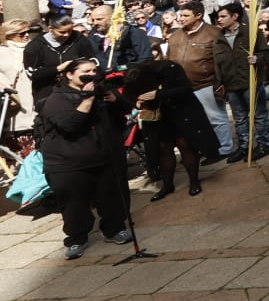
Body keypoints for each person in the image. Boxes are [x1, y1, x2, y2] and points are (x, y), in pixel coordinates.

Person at [35, 57, 132, 258]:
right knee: (74, 204)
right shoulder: (56, 99)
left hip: (104, 156)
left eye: (94, 70)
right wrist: (87, 99)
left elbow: (126, 109)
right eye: (85, 71)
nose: (91, 74)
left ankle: (114, 229)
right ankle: (76, 239)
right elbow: (70, 124)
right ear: (69, 75)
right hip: (68, 162)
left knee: (111, 197)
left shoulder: (101, 89)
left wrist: (115, 99)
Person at [125, 52, 219, 201]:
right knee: (163, 149)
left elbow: (185, 88)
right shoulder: (134, 76)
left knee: (185, 146)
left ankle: (194, 181)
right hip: (157, 117)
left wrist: (159, 94)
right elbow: (130, 95)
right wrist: (137, 103)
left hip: (181, 112)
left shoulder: (170, 68)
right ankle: (167, 185)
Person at [165, 0, 236, 157]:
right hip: (183, 87)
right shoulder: (175, 37)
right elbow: (168, 60)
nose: (181, 18)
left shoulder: (214, 33)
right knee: (195, 121)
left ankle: (224, 148)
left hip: (207, 84)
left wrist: (221, 83)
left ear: (198, 15)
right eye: (180, 15)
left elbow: (223, 60)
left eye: (185, 15)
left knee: (216, 117)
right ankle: (206, 148)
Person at [214, 2, 269, 162]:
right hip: (231, 83)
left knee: (259, 115)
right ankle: (244, 146)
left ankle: (265, 144)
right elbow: (217, 62)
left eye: (223, 16)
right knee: (239, 118)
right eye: (218, 17)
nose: (220, 20)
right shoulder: (219, 37)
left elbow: (266, 53)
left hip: (250, 81)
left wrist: (257, 58)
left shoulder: (250, 32)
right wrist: (219, 83)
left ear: (235, 16)